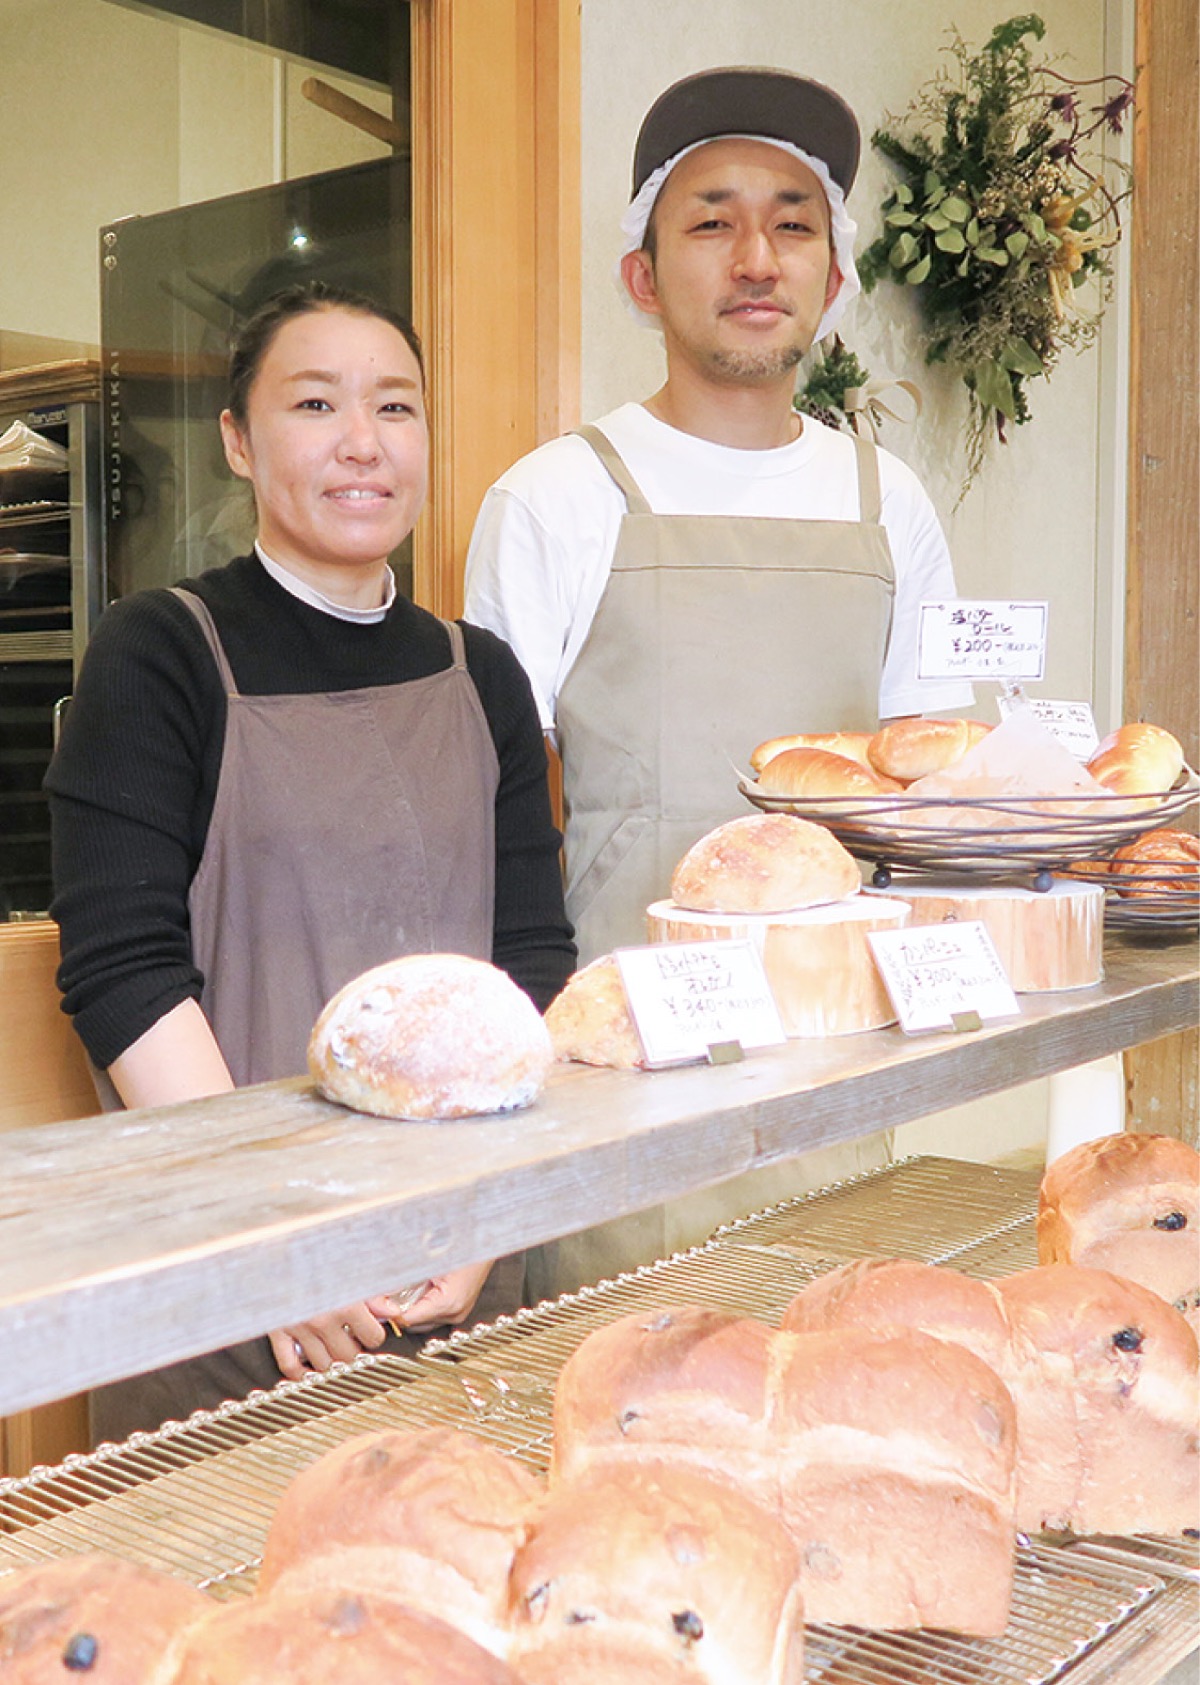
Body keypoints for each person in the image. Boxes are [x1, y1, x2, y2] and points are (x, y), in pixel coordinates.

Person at [463, 66, 974, 1294]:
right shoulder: (556, 495)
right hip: (624, 1058)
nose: (757, 256)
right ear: (643, 277)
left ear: (833, 278)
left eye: (794, 224)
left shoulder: (887, 501)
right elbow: (483, 809)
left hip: (840, 1051)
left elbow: (931, 771)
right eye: (711, 220)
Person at [47, 281, 576, 1441]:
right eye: (315, 403)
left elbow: (533, 962)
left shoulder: (479, 674)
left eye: (395, 406)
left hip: (470, 1262)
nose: (362, 443)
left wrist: (488, 1217)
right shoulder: (159, 654)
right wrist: (287, 1241)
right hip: (230, 1288)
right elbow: (125, 974)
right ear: (238, 438)